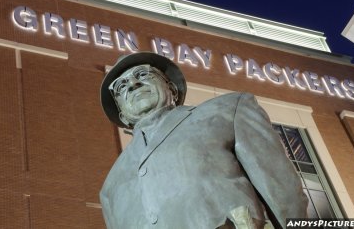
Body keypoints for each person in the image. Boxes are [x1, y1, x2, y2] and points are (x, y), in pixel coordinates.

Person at [99, 52, 308, 229]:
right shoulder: (110, 187)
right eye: (121, 87)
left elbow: (283, 189)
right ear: (123, 116)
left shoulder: (229, 110)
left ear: (171, 88)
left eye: (143, 74)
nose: (133, 85)